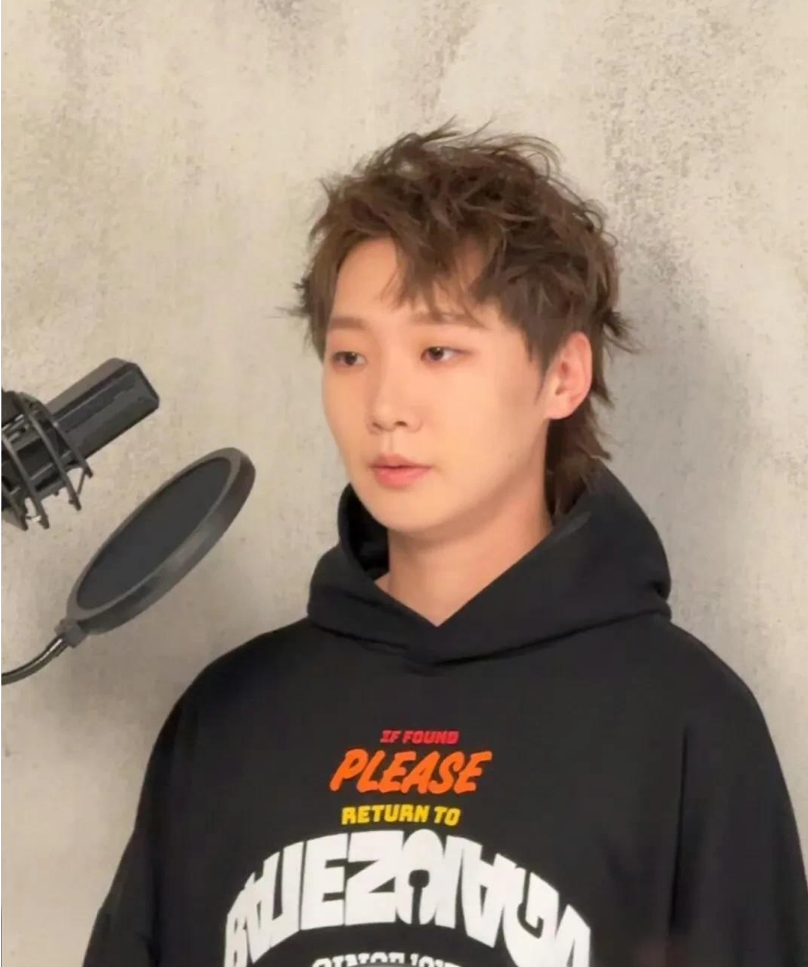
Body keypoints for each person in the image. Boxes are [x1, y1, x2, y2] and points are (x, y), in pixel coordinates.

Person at [83, 123, 808, 967]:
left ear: (562, 376)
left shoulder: (685, 724)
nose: (386, 405)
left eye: (439, 350)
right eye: (349, 355)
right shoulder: (230, 716)